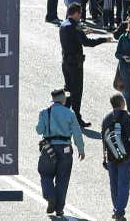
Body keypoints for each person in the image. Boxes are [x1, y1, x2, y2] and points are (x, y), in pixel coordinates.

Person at [59, 2, 112, 127]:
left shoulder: (64, 24)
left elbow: (73, 38)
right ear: (76, 13)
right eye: (80, 13)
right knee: (77, 91)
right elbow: (88, 43)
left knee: (68, 89)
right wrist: (104, 39)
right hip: (75, 64)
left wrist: (83, 33)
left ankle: (63, 114)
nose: (81, 15)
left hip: (65, 62)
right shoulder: (75, 26)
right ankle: (77, 117)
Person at [36, 88, 85, 218]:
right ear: (62, 100)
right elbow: (77, 133)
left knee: (45, 173)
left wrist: (43, 120)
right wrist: (81, 149)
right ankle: (59, 209)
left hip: (49, 148)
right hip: (65, 149)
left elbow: (39, 130)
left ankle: (50, 196)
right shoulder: (69, 113)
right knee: (62, 179)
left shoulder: (45, 112)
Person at [101, 93, 130, 221]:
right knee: (123, 183)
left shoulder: (106, 118)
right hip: (125, 155)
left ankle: (116, 209)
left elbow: (104, 140)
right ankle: (120, 212)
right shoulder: (126, 116)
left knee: (114, 184)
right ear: (121, 103)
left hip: (111, 156)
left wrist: (104, 157)